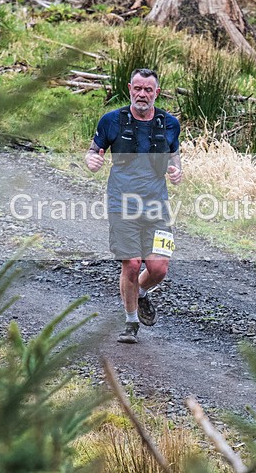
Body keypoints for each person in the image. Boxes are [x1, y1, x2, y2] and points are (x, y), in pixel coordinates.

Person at [85, 68, 182, 344]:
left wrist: (176, 172)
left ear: (157, 93)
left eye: (148, 90)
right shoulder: (112, 121)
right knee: (131, 263)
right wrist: (91, 161)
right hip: (121, 204)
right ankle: (130, 323)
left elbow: (175, 160)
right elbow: (93, 152)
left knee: (159, 268)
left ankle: (140, 293)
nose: (142, 94)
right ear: (129, 88)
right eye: (137, 88)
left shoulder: (170, 124)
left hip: (157, 207)